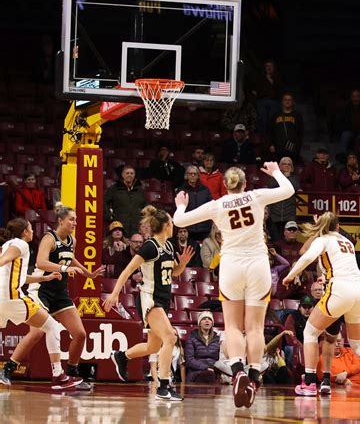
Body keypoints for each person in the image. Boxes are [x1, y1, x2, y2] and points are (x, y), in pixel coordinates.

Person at [173, 162, 295, 408]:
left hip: (231, 265)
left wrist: (181, 205)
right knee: (255, 328)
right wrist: (275, 172)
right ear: (244, 183)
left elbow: (179, 221)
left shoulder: (217, 205)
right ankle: (254, 375)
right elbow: (289, 190)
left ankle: (238, 370)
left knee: (232, 326)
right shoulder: (256, 196)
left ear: (224, 186)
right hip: (258, 264)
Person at [282, 212, 360, 399]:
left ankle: (310, 383)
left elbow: (306, 257)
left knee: (310, 332)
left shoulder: (323, 240)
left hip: (339, 290)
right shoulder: (348, 244)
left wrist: (290, 276)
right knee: (358, 344)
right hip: (359, 291)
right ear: (337, 227)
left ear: (321, 227)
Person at [5, 204, 104, 389]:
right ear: (60, 221)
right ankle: (7, 369)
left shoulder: (72, 240)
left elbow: (70, 258)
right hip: (41, 290)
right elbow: (41, 262)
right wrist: (64, 268)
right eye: (71, 219)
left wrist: (88, 273)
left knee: (80, 334)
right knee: (36, 333)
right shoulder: (49, 238)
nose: (75, 223)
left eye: (76, 220)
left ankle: (71, 374)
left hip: (60, 293)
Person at [104, 205, 194, 402]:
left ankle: (121, 356)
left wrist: (183, 264)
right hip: (149, 299)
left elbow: (174, 273)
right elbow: (127, 270)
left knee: (153, 347)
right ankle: (163, 386)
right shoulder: (150, 246)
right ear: (167, 225)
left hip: (163, 299)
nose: (174, 225)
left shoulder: (169, 246)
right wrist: (115, 293)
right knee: (170, 337)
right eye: (172, 222)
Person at [0, 218, 82, 390]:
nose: (33, 231)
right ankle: (58, 375)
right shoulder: (21, 245)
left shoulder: (8, 244)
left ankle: (6, 372)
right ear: (25, 232)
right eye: (30, 228)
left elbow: (19, 277)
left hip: (4, 299)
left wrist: (45, 278)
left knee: (46, 328)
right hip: (11, 298)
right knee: (51, 327)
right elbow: (3, 260)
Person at [104, 165, 146, 238]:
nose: (129, 175)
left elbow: (145, 206)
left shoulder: (140, 190)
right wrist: (109, 216)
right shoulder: (114, 189)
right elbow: (105, 203)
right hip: (119, 226)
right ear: (122, 175)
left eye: (132, 173)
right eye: (127, 173)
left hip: (136, 226)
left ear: (134, 175)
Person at [177, 166, 212, 242]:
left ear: (198, 176)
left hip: (204, 227)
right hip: (189, 228)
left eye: (195, 174)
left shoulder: (205, 190)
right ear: (187, 175)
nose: (193, 175)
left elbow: (210, 207)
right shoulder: (181, 190)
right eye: (190, 174)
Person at [184, 311, 221, 383]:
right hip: (196, 371)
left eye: (209, 319)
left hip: (214, 370)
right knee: (209, 375)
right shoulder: (192, 338)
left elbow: (221, 358)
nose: (207, 320)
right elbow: (189, 360)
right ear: (199, 323)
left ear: (212, 323)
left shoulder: (217, 339)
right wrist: (205, 367)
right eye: (204, 319)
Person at [337, 89, 360, 157]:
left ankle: (356, 157)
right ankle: (342, 155)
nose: (355, 99)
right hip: (351, 130)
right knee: (345, 135)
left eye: (357, 96)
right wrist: (351, 129)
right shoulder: (347, 108)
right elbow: (342, 122)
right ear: (351, 98)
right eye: (353, 97)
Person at [269, 93, 304, 163]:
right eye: (285, 100)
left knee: (291, 167)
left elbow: (300, 132)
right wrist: (271, 144)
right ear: (282, 101)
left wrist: (298, 146)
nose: (287, 101)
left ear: (292, 102)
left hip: (292, 147)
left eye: (289, 100)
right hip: (278, 147)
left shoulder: (297, 115)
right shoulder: (276, 115)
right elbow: (271, 130)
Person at [283, 294, 316, 369]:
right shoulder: (292, 317)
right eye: (304, 307)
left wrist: (318, 347)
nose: (307, 310)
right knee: (291, 349)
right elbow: (290, 337)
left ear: (314, 308)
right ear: (300, 308)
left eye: (309, 307)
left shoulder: (318, 318)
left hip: (314, 346)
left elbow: (323, 337)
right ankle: (293, 374)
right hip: (297, 345)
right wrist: (302, 347)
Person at [267, 157, 300, 231]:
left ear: (292, 167)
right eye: (284, 164)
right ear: (280, 166)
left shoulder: (294, 178)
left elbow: (295, 186)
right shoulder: (274, 176)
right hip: (275, 213)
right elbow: (271, 185)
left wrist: (288, 177)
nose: (287, 166)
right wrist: (283, 177)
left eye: (289, 164)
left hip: (289, 213)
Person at [254, 60, 283, 134]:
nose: (269, 67)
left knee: (272, 122)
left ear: (274, 67)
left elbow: (278, 88)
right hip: (262, 102)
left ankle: (271, 139)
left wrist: (269, 79)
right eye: (267, 66)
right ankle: (262, 138)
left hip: (273, 102)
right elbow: (256, 88)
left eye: (270, 66)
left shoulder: (278, 77)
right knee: (262, 122)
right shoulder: (260, 77)